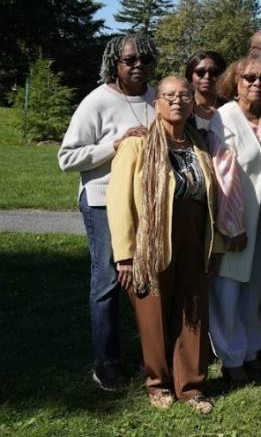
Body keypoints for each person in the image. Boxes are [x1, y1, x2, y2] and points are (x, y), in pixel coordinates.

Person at [105, 75, 225, 414]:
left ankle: (191, 386)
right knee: (154, 314)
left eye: (184, 96)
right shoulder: (137, 144)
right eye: (169, 96)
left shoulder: (199, 143)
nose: (177, 102)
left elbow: (213, 198)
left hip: (193, 236)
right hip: (151, 242)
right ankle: (158, 384)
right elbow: (119, 202)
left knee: (193, 312)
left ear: (192, 102)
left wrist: (214, 245)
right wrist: (125, 256)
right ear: (156, 102)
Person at [58, 34, 159, 391]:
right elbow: (66, 158)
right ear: (114, 63)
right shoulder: (97, 101)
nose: (138, 67)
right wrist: (114, 145)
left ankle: (152, 354)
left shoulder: (155, 97)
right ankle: (107, 362)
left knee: (145, 277)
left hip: (146, 200)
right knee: (107, 281)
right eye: (130, 60)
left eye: (145, 60)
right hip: (102, 199)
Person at [204, 53, 261, 385]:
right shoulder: (224, 118)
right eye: (249, 78)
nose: (257, 84)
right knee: (228, 291)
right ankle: (231, 356)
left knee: (257, 289)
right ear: (236, 82)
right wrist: (232, 226)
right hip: (236, 222)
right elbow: (222, 175)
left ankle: (252, 349)